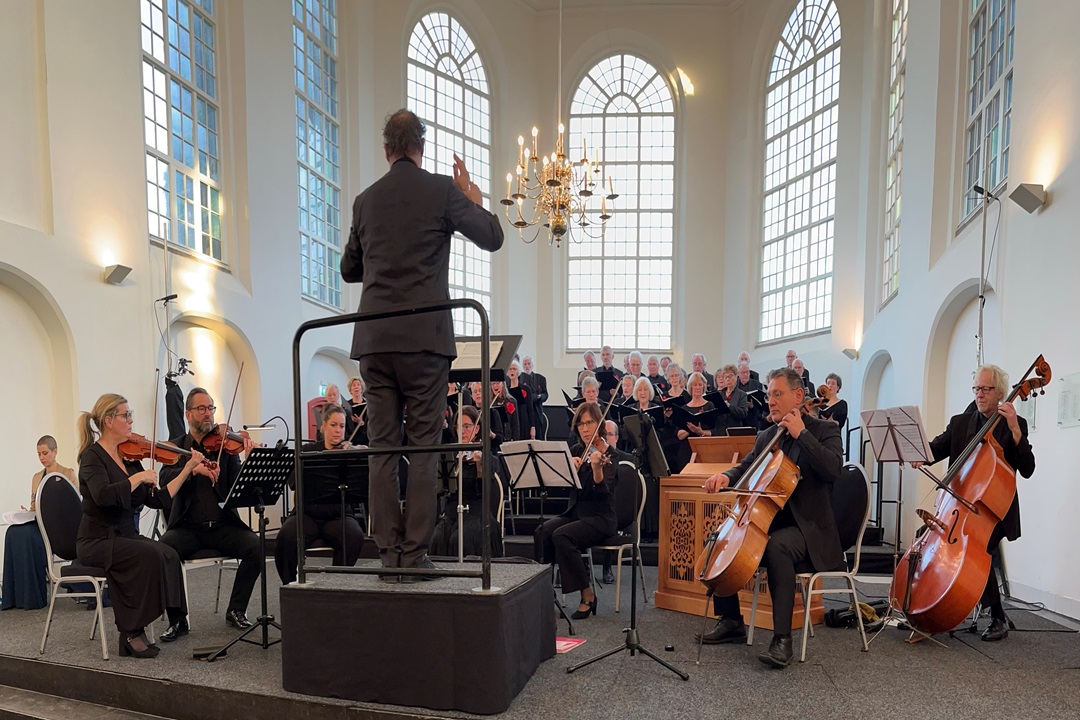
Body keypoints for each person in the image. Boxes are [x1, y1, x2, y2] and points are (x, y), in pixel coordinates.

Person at [340, 109, 504, 580]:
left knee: (382, 449)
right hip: (425, 340)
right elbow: (492, 236)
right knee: (426, 446)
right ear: (422, 147)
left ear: (387, 149)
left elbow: (350, 269)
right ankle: (414, 556)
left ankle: (388, 555)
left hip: (373, 338)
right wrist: (474, 197)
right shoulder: (441, 190)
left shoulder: (365, 200)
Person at [697, 368, 845, 669]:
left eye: (778, 394)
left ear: (799, 396)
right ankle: (730, 620)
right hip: (771, 520)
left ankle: (782, 640)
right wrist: (725, 477)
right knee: (720, 537)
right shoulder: (767, 435)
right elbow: (746, 469)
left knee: (777, 545)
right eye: (769, 395)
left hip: (809, 530)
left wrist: (801, 434)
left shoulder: (823, 430)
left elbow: (833, 470)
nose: (771, 401)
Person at [911, 364, 1035, 642]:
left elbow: (1027, 468)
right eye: (976, 388)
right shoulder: (960, 423)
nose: (979, 394)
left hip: (995, 510)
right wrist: (918, 453)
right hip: (959, 508)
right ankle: (929, 603)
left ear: (1000, 392)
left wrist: (1015, 429)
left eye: (985, 389)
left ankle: (997, 617)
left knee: (979, 551)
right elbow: (936, 448)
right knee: (925, 538)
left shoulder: (1012, 425)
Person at [76, 393, 203, 658]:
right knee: (148, 555)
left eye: (130, 414)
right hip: (97, 539)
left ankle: (167, 620)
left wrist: (187, 468)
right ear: (109, 420)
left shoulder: (132, 458)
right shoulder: (92, 458)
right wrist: (139, 479)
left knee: (168, 552)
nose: (131, 420)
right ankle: (132, 631)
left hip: (125, 535)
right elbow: (104, 496)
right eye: (126, 415)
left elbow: (157, 499)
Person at [157, 387, 261, 640]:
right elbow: (164, 479)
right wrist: (192, 469)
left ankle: (236, 609)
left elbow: (240, 485)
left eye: (211, 408)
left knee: (256, 548)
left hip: (224, 526)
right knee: (164, 549)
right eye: (201, 409)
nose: (208, 414)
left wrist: (250, 460)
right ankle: (178, 620)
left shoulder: (225, 447)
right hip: (188, 528)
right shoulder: (178, 447)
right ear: (187, 414)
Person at [534, 403, 618, 619]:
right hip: (576, 512)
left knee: (562, 535)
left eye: (589, 422)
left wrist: (597, 469)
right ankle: (543, 593)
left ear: (599, 423)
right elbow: (564, 486)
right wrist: (567, 469)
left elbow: (604, 495)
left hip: (600, 517)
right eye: (580, 423)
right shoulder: (576, 451)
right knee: (543, 531)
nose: (585, 428)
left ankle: (587, 593)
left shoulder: (610, 455)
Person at [275, 404, 365, 585]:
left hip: (338, 514)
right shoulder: (308, 452)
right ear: (323, 426)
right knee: (285, 537)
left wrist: (361, 455)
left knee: (354, 536)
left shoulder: (349, 454)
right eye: (333, 425)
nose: (338, 431)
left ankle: (336, 583)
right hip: (308, 514)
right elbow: (292, 483)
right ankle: (290, 586)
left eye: (341, 426)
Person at [432, 405, 503, 558]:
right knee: (436, 538)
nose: (462, 431)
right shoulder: (451, 457)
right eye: (458, 427)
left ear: (477, 429)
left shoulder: (486, 456)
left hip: (476, 513)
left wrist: (479, 466)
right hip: (452, 513)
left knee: (459, 539)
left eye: (467, 426)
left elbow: (485, 491)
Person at [30, 435, 76, 512]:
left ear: (55, 452)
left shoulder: (68, 474)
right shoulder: (36, 478)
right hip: (40, 521)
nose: (41, 458)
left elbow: (75, 504)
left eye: (45, 453)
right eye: (39, 454)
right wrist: (26, 515)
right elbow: (33, 508)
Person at [713, 364, 751, 435]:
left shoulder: (742, 394)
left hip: (734, 433)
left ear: (736, 376)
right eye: (725, 377)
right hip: (720, 432)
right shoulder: (719, 394)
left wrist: (729, 406)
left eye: (730, 376)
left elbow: (743, 413)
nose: (728, 379)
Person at [522, 355, 549, 440]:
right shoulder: (520, 379)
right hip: (525, 413)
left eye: (529, 363)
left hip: (537, 411)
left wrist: (540, 396)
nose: (527, 366)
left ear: (532, 365)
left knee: (538, 437)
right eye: (525, 364)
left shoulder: (540, 378)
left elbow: (545, 394)